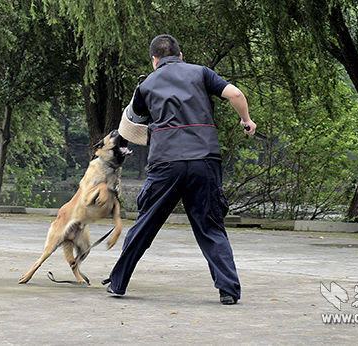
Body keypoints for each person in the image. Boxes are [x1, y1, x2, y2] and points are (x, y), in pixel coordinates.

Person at [105, 34, 256, 305]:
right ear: (181, 55)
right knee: (210, 226)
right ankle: (228, 290)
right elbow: (235, 93)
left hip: (166, 162)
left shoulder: (146, 85)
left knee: (146, 224)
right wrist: (246, 120)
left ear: (154, 60)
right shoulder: (201, 73)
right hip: (204, 159)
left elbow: (134, 121)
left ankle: (118, 283)